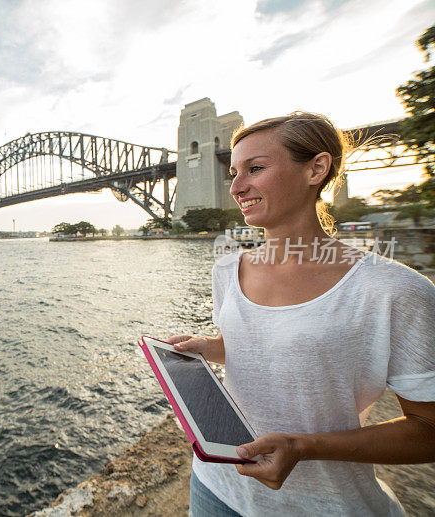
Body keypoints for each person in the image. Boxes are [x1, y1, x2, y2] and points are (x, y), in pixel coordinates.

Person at [167, 112, 435, 516]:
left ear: (316, 168)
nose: (236, 187)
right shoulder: (226, 270)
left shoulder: (392, 288)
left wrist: (303, 447)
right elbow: (262, 346)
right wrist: (209, 347)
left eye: (255, 168)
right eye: (234, 172)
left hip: (322, 505)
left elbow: (429, 431)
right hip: (214, 488)